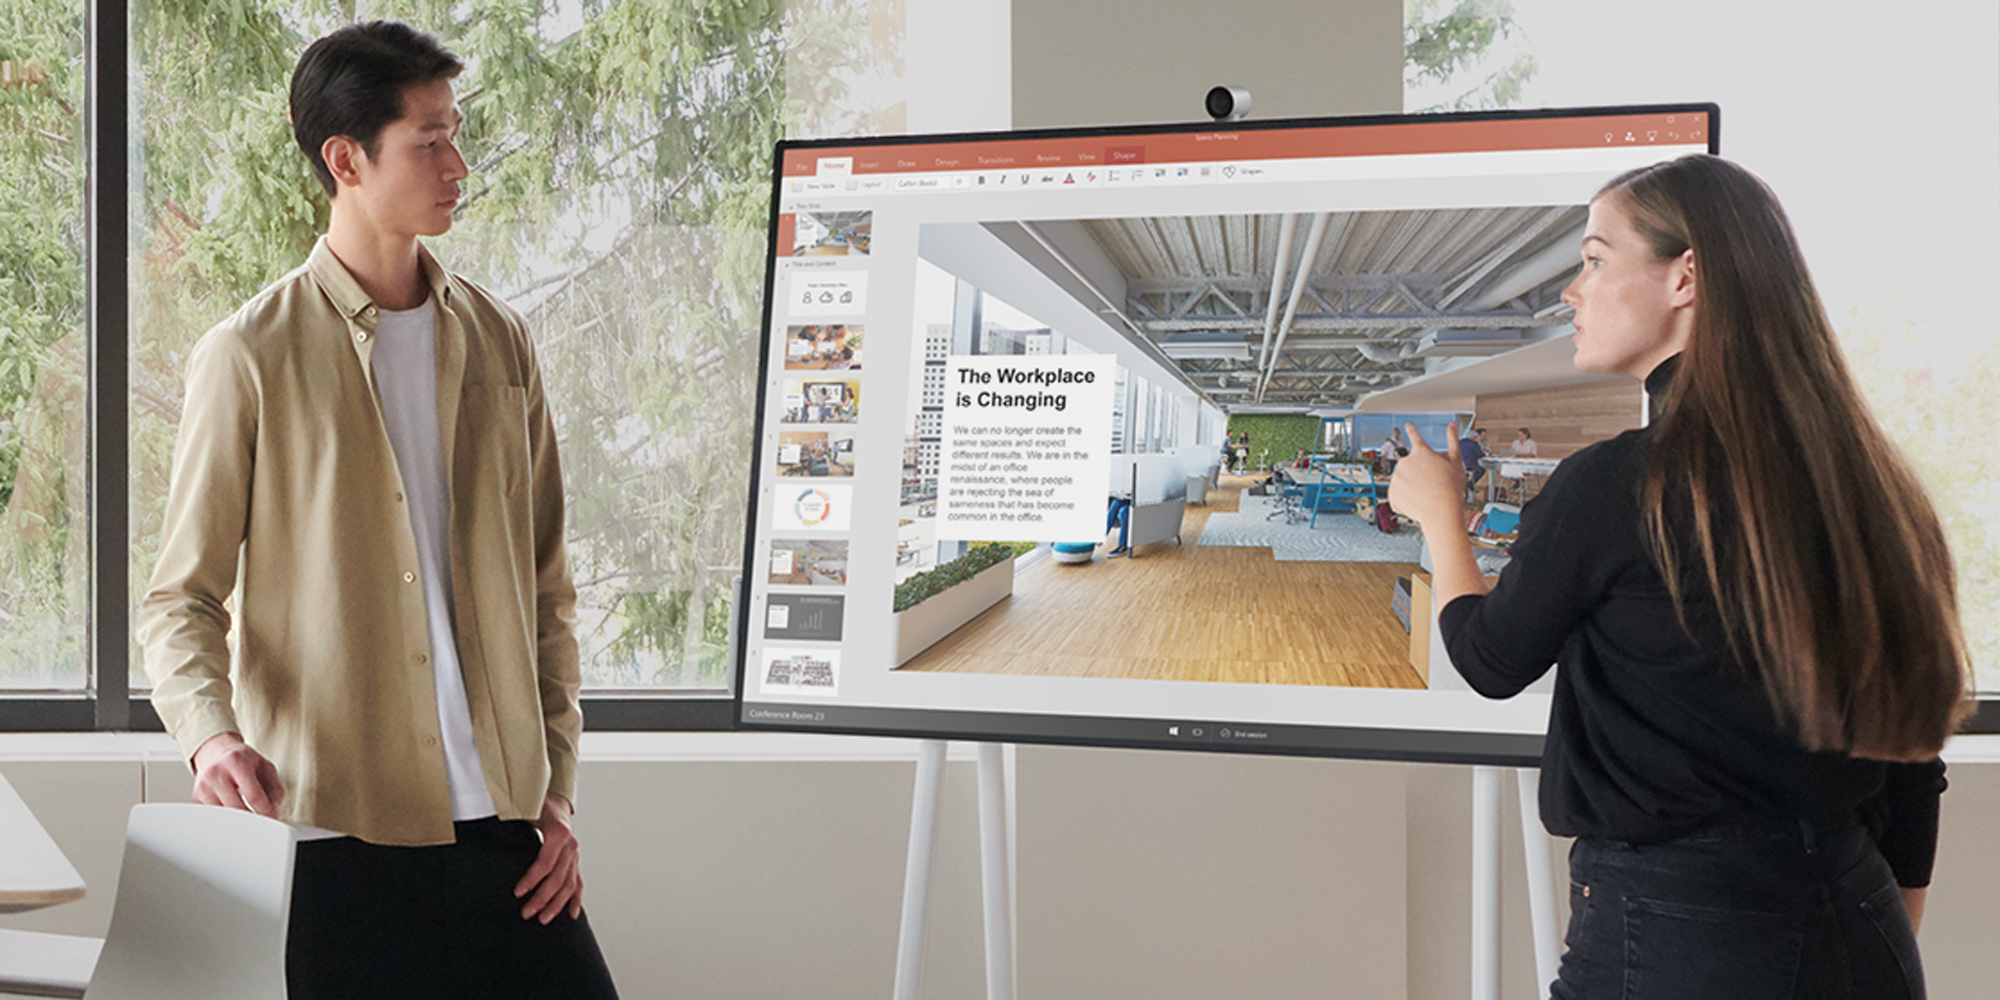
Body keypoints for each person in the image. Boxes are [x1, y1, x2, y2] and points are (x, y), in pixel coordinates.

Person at [1389, 154, 1968, 1000]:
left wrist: (1440, 518)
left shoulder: (1617, 486)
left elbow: (1489, 661)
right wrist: (1870, 926)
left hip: (1675, 931)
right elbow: (1912, 753)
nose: (1570, 293)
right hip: (1861, 913)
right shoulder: (1870, 487)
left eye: (1593, 260)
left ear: (1685, 276)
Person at [137, 21, 619, 1000]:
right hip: (333, 839)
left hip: (507, 836)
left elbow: (545, 588)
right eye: (429, 139)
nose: (459, 162)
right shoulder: (249, 355)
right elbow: (179, 601)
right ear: (345, 159)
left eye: (457, 132)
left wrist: (557, 790)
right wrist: (211, 736)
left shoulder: (499, 341)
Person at [1458, 425, 1488, 498]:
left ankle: (1469, 486)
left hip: (1461, 465)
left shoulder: (1460, 442)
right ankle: (1469, 485)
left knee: (1471, 473)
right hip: (1470, 464)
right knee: (1482, 470)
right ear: (1473, 437)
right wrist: (1485, 454)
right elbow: (1480, 455)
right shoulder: (1473, 443)